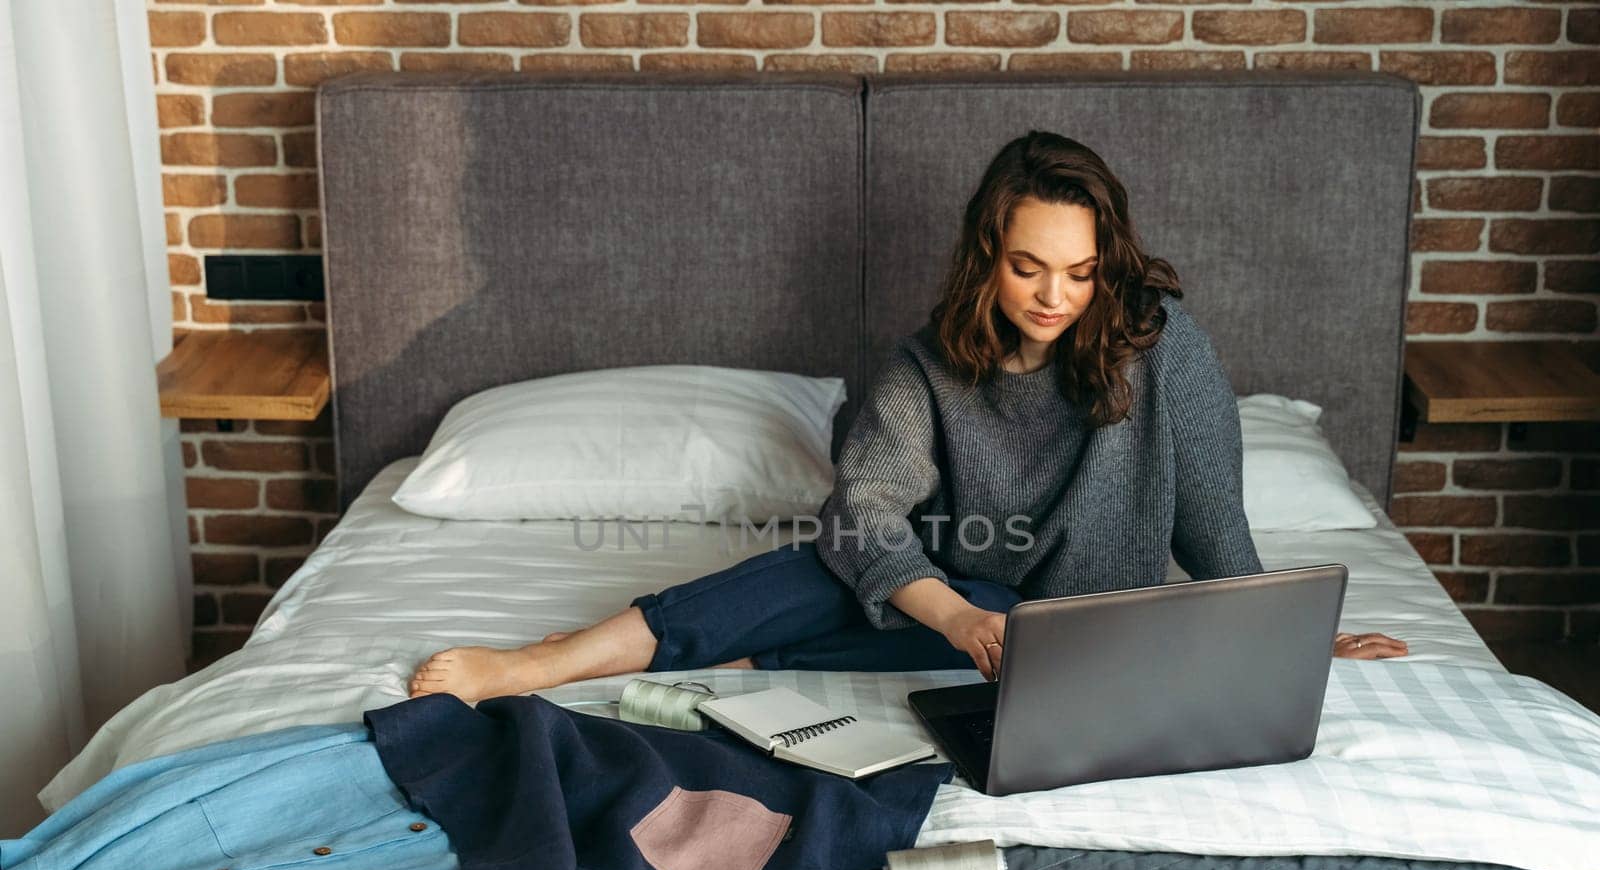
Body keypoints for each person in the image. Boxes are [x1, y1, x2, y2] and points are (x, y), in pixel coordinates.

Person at [407, 131, 1407, 704]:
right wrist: (956, 613)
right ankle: (539, 662)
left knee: (1035, 637)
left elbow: (1208, 514)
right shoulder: (923, 366)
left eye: (1079, 271)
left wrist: (1282, 631)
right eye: (1027, 267)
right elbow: (866, 515)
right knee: (805, 570)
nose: (1054, 296)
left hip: (1083, 623)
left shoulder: (1160, 341)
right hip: (942, 596)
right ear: (987, 256)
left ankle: (764, 660)